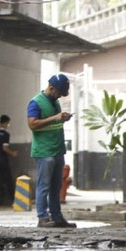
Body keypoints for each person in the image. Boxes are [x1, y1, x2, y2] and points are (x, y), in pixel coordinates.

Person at [27, 73, 76, 228]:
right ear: (51, 88)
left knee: (56, 186)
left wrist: (63, 118)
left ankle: (57, 217)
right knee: (44, 185)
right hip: (44, 151)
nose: (60, 96)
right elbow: (32, 124)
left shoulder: (55, 103)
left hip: (57, 150)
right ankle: (42, 217)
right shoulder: (35, 103)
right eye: (59, 93)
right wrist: (55, 118)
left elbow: (54, 123)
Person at [0, 114, 17, 208]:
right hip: (2, 161)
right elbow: (4, 148)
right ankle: (14, 200)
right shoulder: (5, 134)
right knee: (8, 180)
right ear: (5, 123)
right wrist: (13, 153)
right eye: (8, 123)